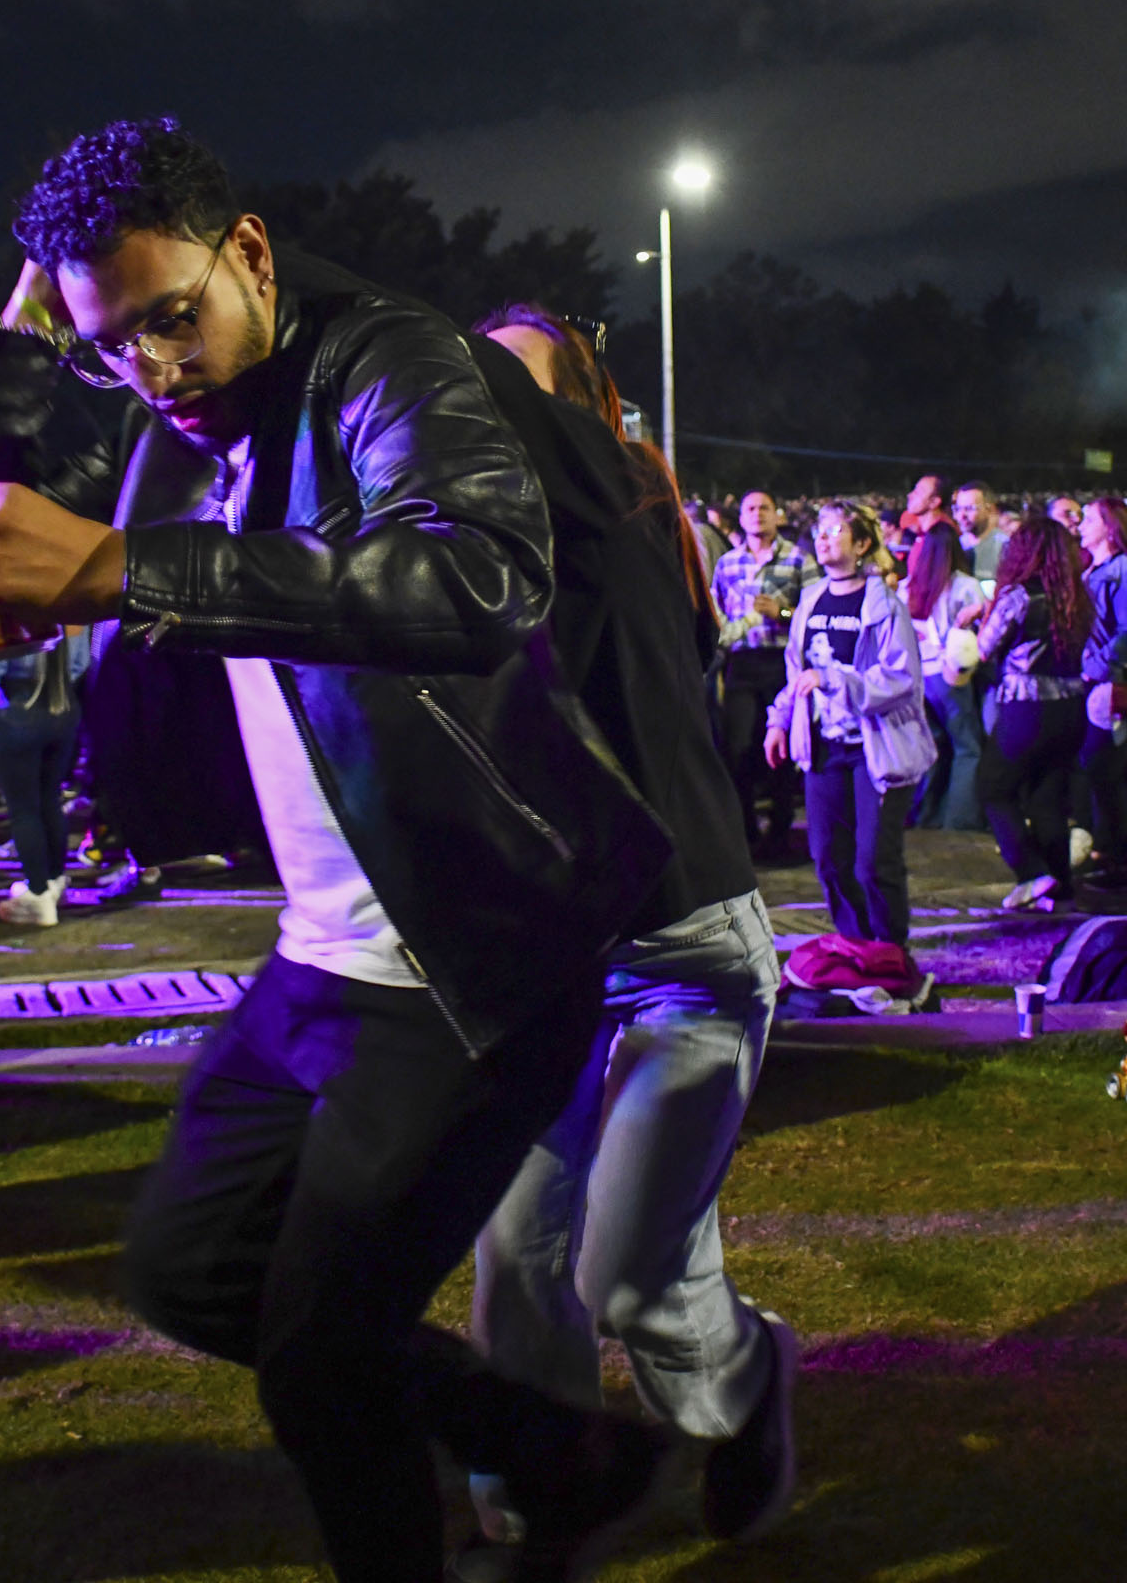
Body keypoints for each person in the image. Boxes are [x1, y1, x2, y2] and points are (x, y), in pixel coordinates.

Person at [0, 116, 680, 1583]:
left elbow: (476, 574)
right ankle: (558, 1450)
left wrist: (122, 566)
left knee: (322, 1362)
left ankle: (541, 1472)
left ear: (251, 255)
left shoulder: (388, 359)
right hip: (321, 958)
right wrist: (12, 364)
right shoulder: (171, 403)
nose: (154, 369)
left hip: (470, 962)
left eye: (171, 318)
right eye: (110, 345)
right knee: (190, 1273)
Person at [464, 305, 793, 1567]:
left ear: (582, 409)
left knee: (629, 1278)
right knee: (516, 1250)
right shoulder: (475, 538)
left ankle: (746, 1382)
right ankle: (544, 1491)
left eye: (511, 379)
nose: (480, 401)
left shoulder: (618, 495)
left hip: (682, 952)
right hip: (543, 957)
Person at [765, 502, 934, 950]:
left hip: (874, 745)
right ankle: (857, 947)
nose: (822, 538)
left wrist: (835, 680)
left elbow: (901, 678)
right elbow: (796, 670)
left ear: (861, 545)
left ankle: (891, 952)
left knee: (873, 861)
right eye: (820, 530)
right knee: (828, 858)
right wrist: (780, 719)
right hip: (824, 745)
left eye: (835, 530)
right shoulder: (811, 600)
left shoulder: (883, 605)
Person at [976, 516, 1092, 910]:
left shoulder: (1019, 596)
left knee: (993, 786)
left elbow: (984, 649)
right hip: (1072, 706)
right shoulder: (1077, 594)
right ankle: (1059, 884)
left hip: (1027, 707)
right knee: (1048, 795)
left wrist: (980, 619)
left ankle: (1030, 871)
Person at [711, 490, 820, 859]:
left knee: (780, 750)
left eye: (765, 508)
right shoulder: (727, 563)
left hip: (782, 663)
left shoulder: (798, 560)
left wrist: (782, 613)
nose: (758, 514)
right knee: (738, 747)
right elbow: (716, 613)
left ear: (777, 515)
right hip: (741, 663)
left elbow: (815, 616)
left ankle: (780, 830)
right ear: (741, 518)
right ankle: (744, 830)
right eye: (751, 508)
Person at [0, 629, 89, 925]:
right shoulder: (67, 605)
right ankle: (55, 881)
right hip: (62, 709)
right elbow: (79, 664)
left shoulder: (3, 607)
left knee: (24, 810)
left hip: (16, 712)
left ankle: (38, 894)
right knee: (49, 800)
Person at [903, 526, 986, 830]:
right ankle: (959, 819)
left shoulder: (908, 587)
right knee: (968, 747)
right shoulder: (965, 586)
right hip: (950, 675)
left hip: (917, 678)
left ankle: (925, 815)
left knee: (931, 748)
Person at [1078, 496, 1127, 889]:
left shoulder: (1121, 569)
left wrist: (1096, 666)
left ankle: (1115, 856)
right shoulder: (1092, 569)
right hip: (1094, 683)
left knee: (1105, 769)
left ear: (1110, 527)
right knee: (1098, 769)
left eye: (1088, 519)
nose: (1080, 525)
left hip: (1110, 684)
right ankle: (1106, 850)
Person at [952, 481, 1004, 584]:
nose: (962, 515)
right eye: (958, 509)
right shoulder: (957, 545)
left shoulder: (1004, 546)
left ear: (989, 509)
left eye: (969, 508)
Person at [900, 473, 953, 538]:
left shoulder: (940, 537)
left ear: (934, 502)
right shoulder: (921, 535)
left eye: (918, 492)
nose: (909, 495)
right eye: (914, 490)